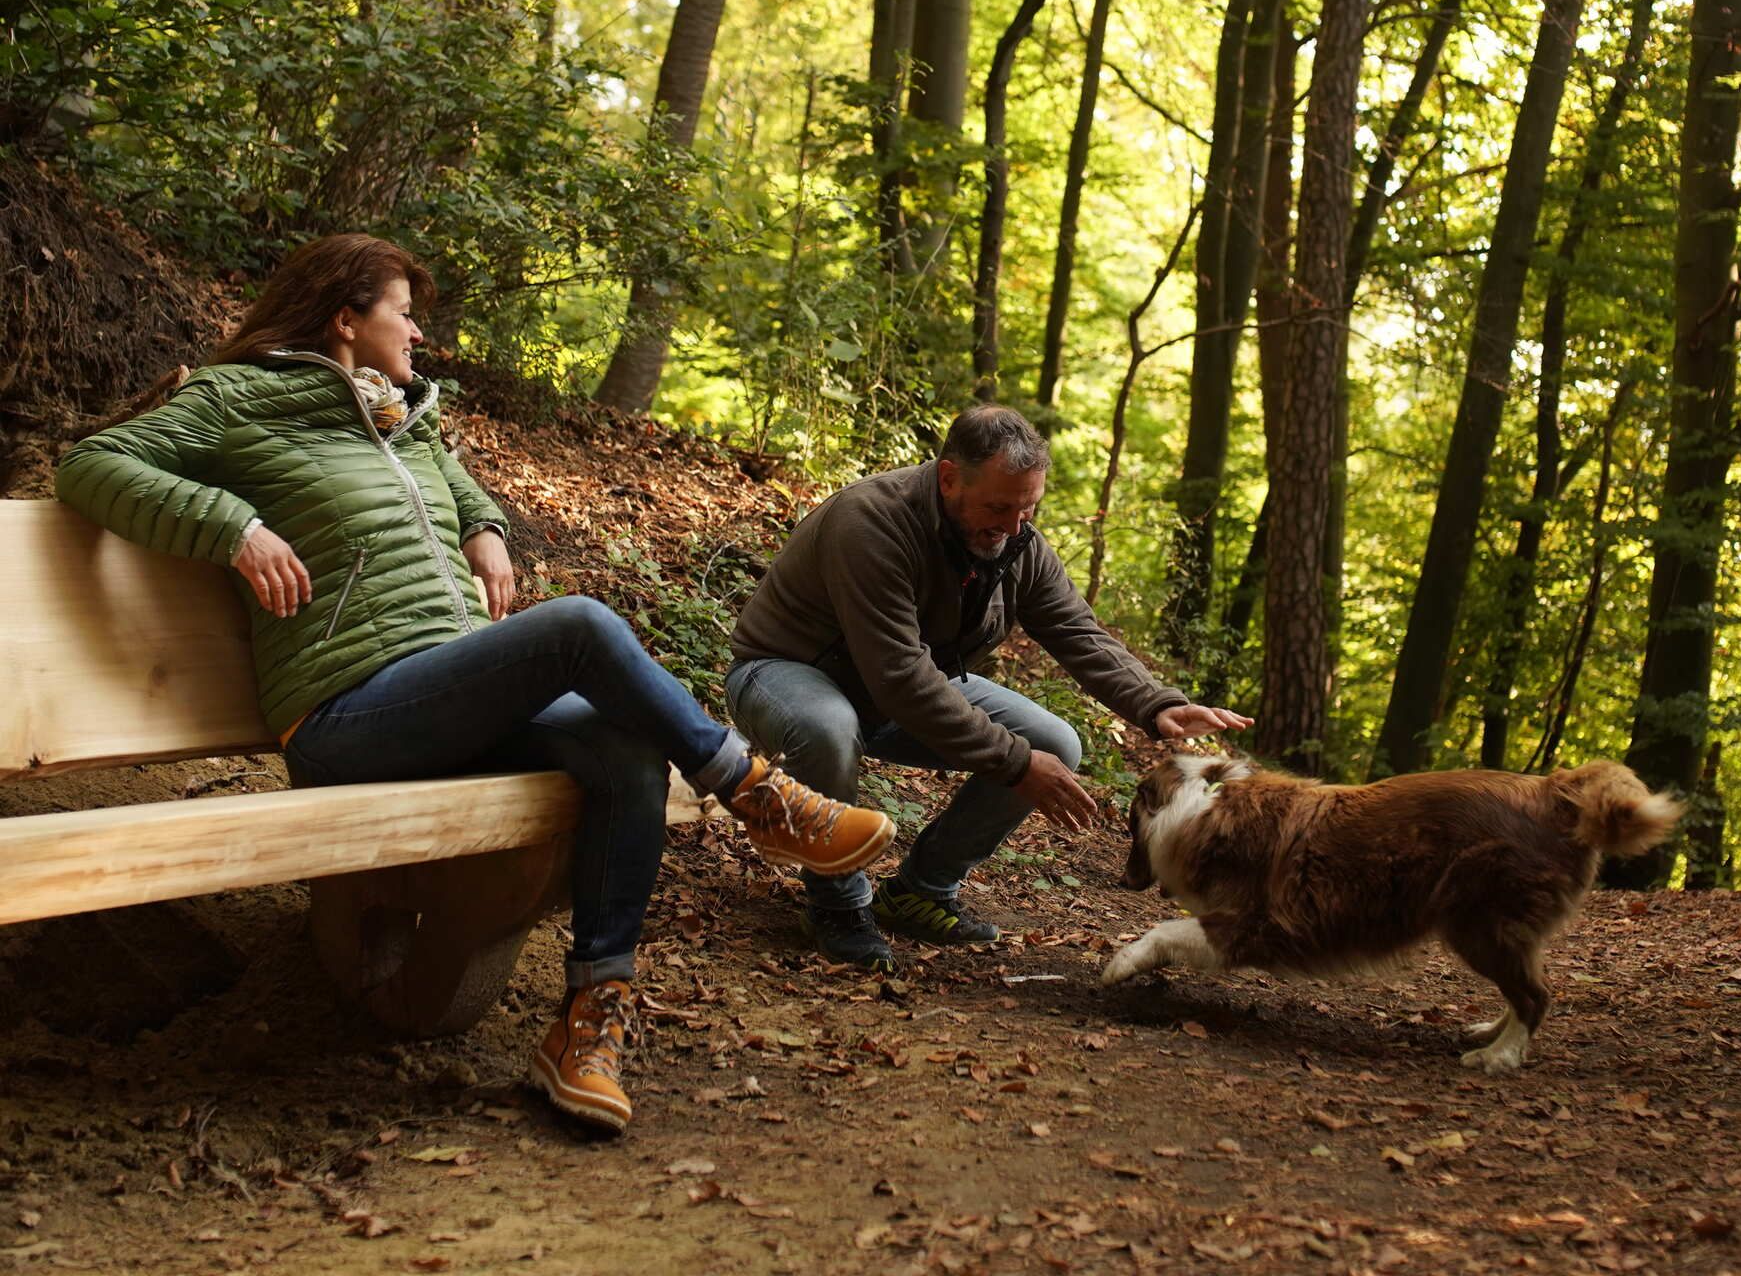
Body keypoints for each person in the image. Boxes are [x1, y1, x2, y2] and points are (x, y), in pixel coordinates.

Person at [55, 233, 895, 1134]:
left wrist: (487, 527)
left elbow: (454, 484)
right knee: (577, 625)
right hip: (345, 717)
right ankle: (754, 792)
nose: (418, 335)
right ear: (346, 320)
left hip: (440, 695)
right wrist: (232, 526)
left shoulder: (403, 417)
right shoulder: (242, 398)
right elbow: (90, 466)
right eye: (403, 315)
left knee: (625, 749)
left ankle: (587, 1027)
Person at [727, 404, 1251, 971]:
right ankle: (834, 905)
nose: (1015, 524)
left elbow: (1074, 628)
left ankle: (920, 892)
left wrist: (1158, 703)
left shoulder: (1017, 539)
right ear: (950, 477)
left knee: (1056, 742)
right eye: (1000, 506)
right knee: (828, 729)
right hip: (788, 674)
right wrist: (1015, 762)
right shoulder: (872, 522)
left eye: (1029, 507)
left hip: (897, 689)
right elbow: (901, 673)